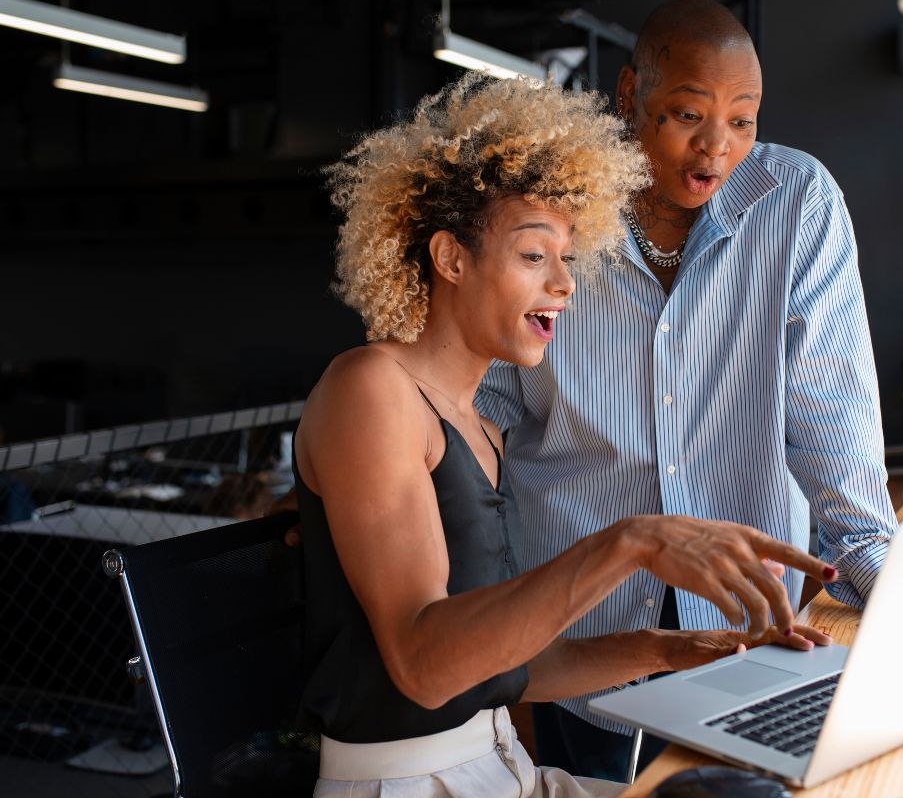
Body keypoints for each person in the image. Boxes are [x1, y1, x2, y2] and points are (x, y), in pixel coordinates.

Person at [294, 73, 838, 798]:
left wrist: (675, 651)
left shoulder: (477, 425)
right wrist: (632, 542)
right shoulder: (371, 388)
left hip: (502, 772)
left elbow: (503, 666)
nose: (565, 284)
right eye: (533, 256)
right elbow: (424, 668)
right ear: (451, 258)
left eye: (568, 258)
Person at [476, 0, 897, 780]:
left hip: (748, 630)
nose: (717, 146)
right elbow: (482, 406)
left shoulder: (797, 202)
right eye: (688, 115)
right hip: (581, 627)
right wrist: (392, 498)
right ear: (630, 92)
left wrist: (889, 580)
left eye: (743, 120)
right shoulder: (547, 210)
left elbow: (829, 409)